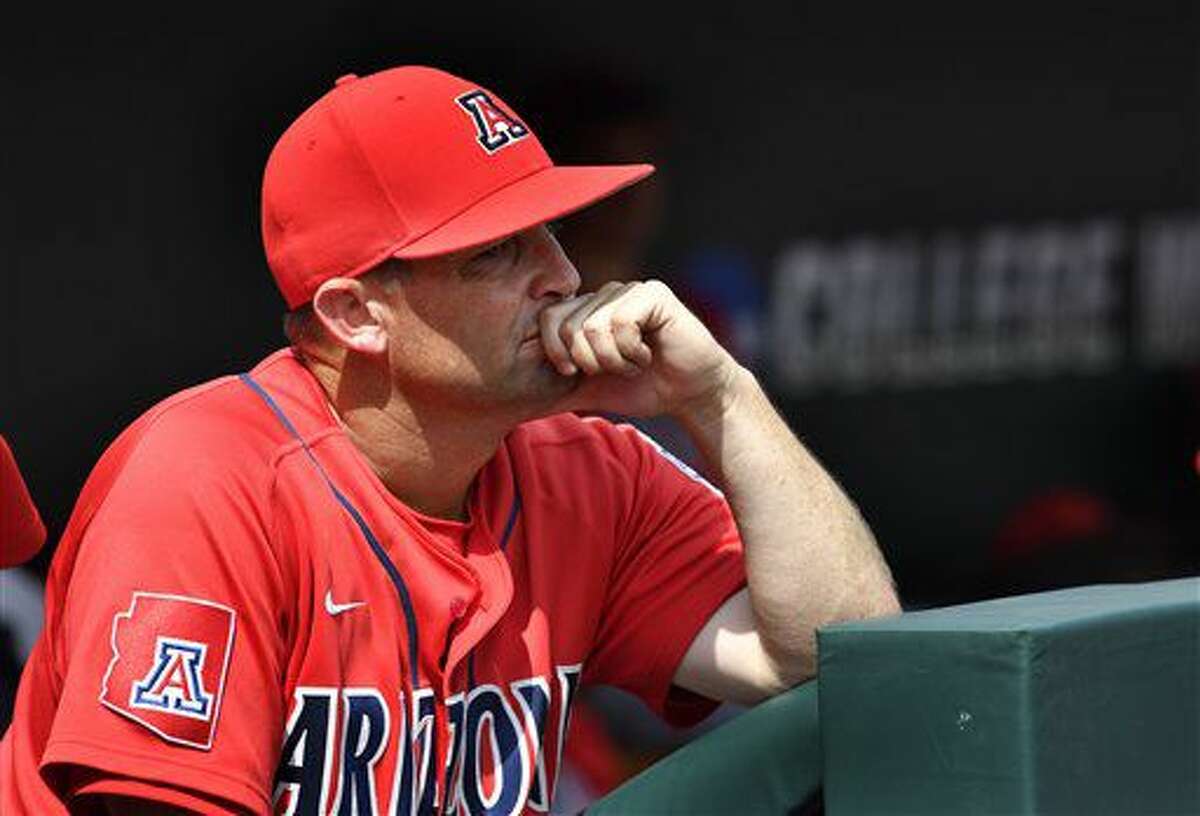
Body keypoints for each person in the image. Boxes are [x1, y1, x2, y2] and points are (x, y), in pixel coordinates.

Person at [0, 65, 899, 815]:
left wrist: (724, 399)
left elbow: (850, 661)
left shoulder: (587, 470)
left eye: (548, 229)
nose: (564, 274)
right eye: (496, 254)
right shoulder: (207, 482)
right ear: (356, 314)